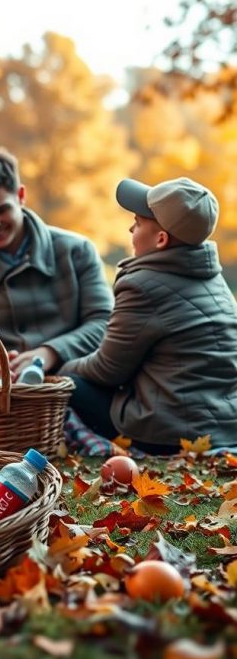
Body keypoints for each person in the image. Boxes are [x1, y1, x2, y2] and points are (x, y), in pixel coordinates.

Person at [61, 176, 237, 453]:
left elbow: (107, 371)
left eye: (139, 222)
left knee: (68, 385)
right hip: (222, 429)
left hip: (166, 434)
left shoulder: (141, 285)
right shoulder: (215, 282)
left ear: (161, 239)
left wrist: (60, 368)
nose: (131, 227)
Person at [0, 148, 113, 378]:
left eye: (2, 210)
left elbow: (104, 322)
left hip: (74, 382)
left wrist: (50, 353)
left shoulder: (77, 251)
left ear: (20, 196)